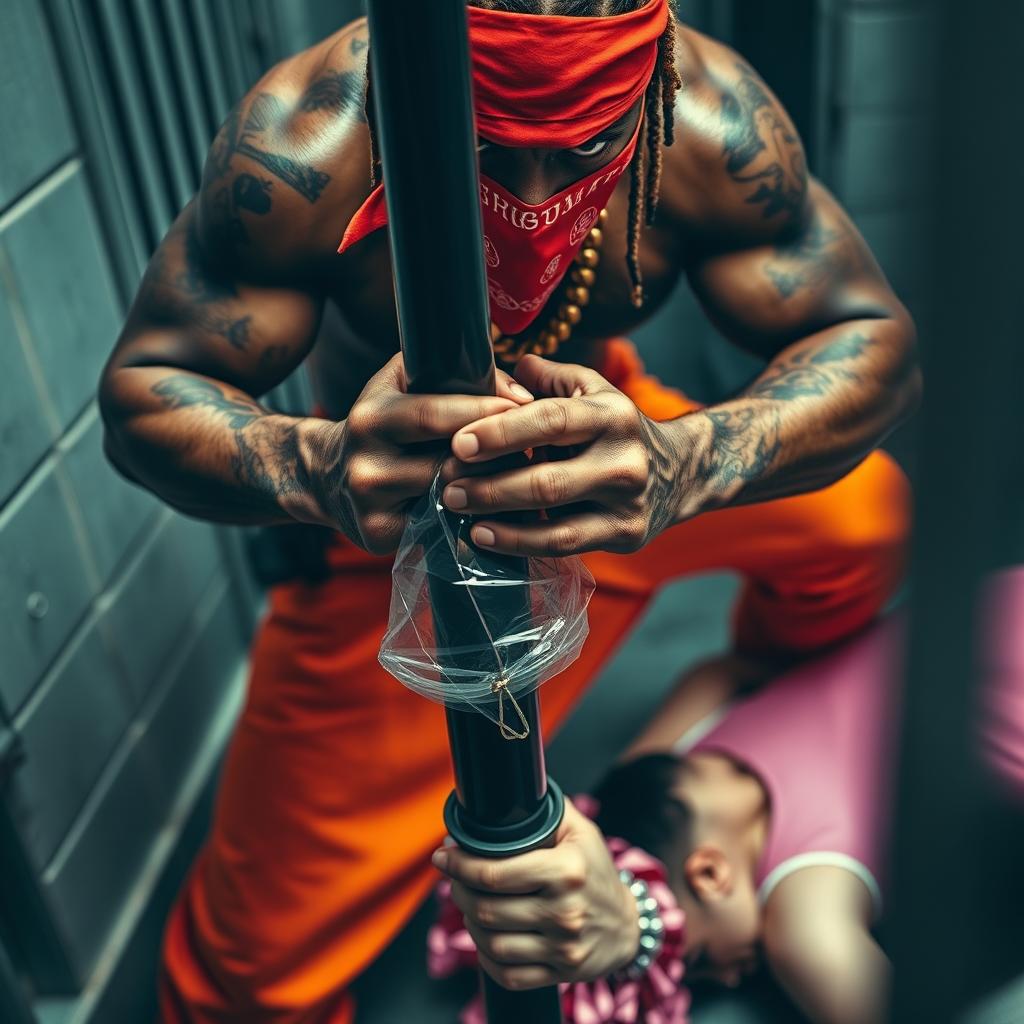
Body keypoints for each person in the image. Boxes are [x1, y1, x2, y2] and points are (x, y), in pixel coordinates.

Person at [97, 1, 918, 1020]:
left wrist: (683, 464)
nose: (536, 199)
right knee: (243, 985)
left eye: (585, 151)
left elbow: (872, 338)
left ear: (646, 95)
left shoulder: (708, 114)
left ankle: (751, 714)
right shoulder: (306, 139)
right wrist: (313, 469)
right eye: (488, 147)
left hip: (610, 452)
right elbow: (143, 390)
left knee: (863, 515)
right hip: (393, 506)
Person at [435, 568, 1024, 1024]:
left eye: (699, 962)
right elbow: (706, 690)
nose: (731, 978)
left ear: (711, 873)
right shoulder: (689, 735)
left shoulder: (798, 913)